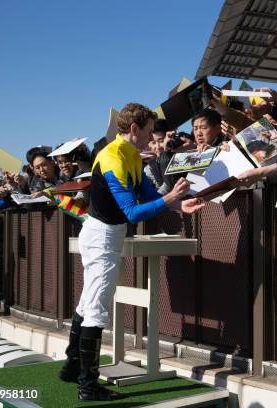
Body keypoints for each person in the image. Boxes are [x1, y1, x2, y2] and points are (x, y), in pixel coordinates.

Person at [57, 103, 204, 401]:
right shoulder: (112, 157)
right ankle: (88, 385)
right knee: (97, 310)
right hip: (102, 237)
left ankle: (72, 368)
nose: (153, 138)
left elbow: (148, 196)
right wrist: (170, 199)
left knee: (88, 304)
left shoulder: (132, 156)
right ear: (134, 129)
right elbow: (133, 213)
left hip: (104, 235)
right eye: (149, 132)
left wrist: (177, 203)